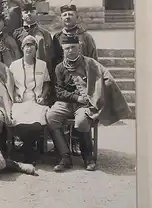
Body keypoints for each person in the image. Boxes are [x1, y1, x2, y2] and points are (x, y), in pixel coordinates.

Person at [46, 35, 131, 172]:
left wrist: (104, 87)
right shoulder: (59, 68)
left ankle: (88, 157)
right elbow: (59, 92)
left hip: (84, 104)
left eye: (73, 47)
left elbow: (104, 76)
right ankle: (64, 156)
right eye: (67, 48)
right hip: (66, 102)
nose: (70, 50)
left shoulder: (90, 64)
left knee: (81, 122)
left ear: (79, 47)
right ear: (63, 50)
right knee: (51, 117)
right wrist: (76, 97)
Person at [9, 36, 51, 165]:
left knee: (37, 122)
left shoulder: (42, 65)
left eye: (32, 45)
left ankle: (28, 150)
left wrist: (42, 96)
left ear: (36, 49)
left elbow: (46, 83)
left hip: (36, 100)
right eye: (26, 45)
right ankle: (29, 151)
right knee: (20, 122)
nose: (29, 48)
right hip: (20, 101)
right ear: (22, 48)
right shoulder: (14, 65)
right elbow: (10, 85)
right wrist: (15, 95)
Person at [12, 3, 54, 76]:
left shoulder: (45, 33)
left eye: (31, 12)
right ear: (22, 16)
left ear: (36, 15)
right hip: (22, 71)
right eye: (26, 12)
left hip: (40, 71)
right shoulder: (16, 34)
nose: (29, 14)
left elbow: (50, 56)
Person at [52, 4, 98, 69]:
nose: (67, 17)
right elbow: (54, 59)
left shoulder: (86, 37)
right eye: (65, 15)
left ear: (77, 17)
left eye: (70, 14)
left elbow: (93, 60)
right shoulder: (57, 37)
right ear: (61, 18)